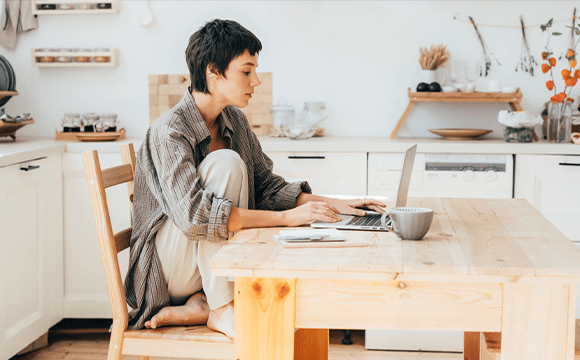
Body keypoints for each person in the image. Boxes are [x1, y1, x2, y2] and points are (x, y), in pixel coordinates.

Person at [125, 19, 386, 339]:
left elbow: (267, 187)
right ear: (213, 72)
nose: (257, 81)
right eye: (246, 71)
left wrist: (340, 203)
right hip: (165, 274)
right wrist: (287, 219)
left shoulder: (233, 120)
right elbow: (195, 219)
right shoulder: (170, 131)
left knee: (230, 165)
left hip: (199, 271)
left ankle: (205, 302)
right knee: (225, 163)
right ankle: (221, 306)